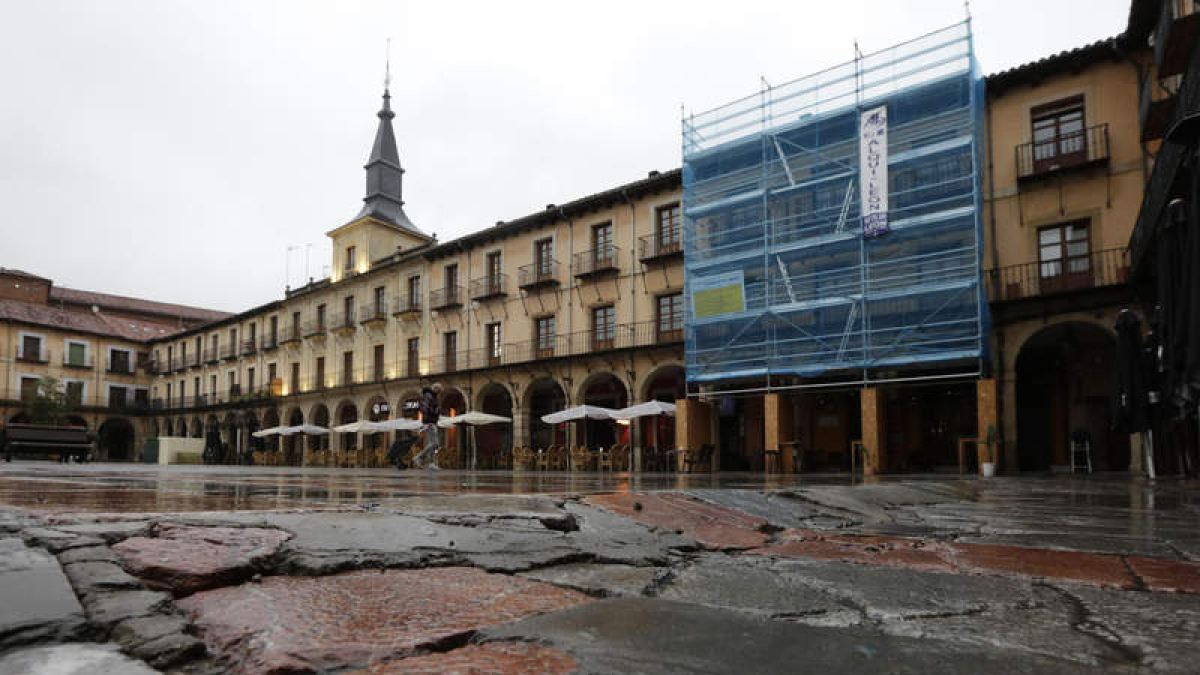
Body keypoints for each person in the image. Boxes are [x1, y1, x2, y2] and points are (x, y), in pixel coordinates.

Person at [413, 383, 442, 469]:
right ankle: (419, 457)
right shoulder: (428, 396)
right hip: (429, 422)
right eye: (439, 390)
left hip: (432, 421)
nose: (439, 392)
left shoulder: (433, 396)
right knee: (435, 443)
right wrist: (429, 419)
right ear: (435, 388)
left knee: (432, 443)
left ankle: (431, 463)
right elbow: (425, 409)